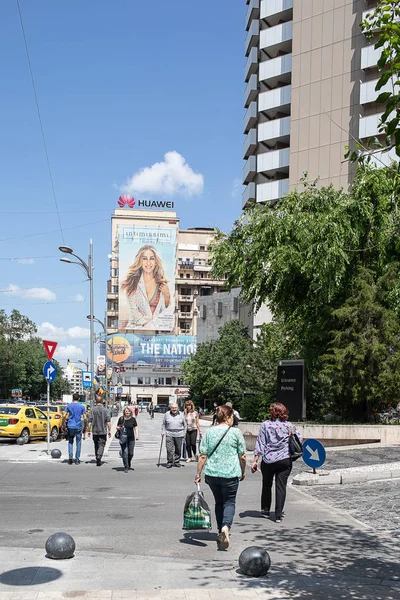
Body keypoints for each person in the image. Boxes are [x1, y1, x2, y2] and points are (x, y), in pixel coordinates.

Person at [195, 405, 246, 550]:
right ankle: (225, 527)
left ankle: (220, 531)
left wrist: (198, 474)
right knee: (229, 502)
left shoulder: (209, 433)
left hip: (212, 474)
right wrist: (243, 471)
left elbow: (203, 456)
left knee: (219, 502)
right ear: (229, 417)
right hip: (230, 474)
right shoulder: (236, 432)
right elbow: (242, 455)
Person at [251, 402, 303, 523]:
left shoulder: (265, 425)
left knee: (267, 484)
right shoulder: (289, 426)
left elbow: (261, 443)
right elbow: (299, 439)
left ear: (272, 412)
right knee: (281, 487)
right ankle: (278, 515)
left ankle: (265, 510)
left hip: (268, 460)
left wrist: (255, 460)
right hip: (284, 460)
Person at [121, 245, 172, 329]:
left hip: (157, 331)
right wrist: (146, 325)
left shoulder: (162, 283)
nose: (148, 263)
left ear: (156, 261)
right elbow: (134, 310)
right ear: (140, 261)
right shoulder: (133, 282)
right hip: (136, 330)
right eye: (144, 259)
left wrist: (167, 296)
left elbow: (167, 313)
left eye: (152, 258)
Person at [87, 395, 111, 466]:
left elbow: (90, 421)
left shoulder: (92, 410)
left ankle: (97, 456)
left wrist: (89, 430)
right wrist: (110, 430)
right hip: (103, 430)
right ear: (102, 401)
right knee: (102, 444)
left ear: (96, 401)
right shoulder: (106, 410)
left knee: (96, 444)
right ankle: (99, 456)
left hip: (95, 430)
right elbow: (108, 421)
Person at [63, 393, 87, 465]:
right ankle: (77, 459)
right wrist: (85, 427)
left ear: (72, 398)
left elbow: (64, 415)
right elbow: (85, 418)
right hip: (78, 426)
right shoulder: (82, 407)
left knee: (70, 441)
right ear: (78, 398)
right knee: (78, 443)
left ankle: (70, 456)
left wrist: (63, 424)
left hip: (70, 426)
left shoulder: (69, 406)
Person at [161, 403, 186, 468]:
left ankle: (177, 461)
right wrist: (163, 431)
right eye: (173, 408)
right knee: (169, 449)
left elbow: (185, 425)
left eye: (175, 408)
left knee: (178, 448)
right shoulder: (167, 414)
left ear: (177, 408)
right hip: (169, 433)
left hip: (179, 433)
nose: (174, 409)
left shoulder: (181, 414)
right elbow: (164, 424)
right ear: (170, 408)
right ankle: (169, 461)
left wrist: (184, 433)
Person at [116, 406, 139, 473]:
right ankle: (126, 466)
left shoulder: (133, 419)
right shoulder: (121, 419)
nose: (127, 412)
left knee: (131, 453)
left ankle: (128, 462)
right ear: (124, 412)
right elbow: (117, 426)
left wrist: (137, 435)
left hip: (131, 438)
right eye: (126, 411)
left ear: (131, 412)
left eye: (128, 411)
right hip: (123, 438)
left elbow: (136, 427)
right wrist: (118, 428)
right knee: (125, 453)